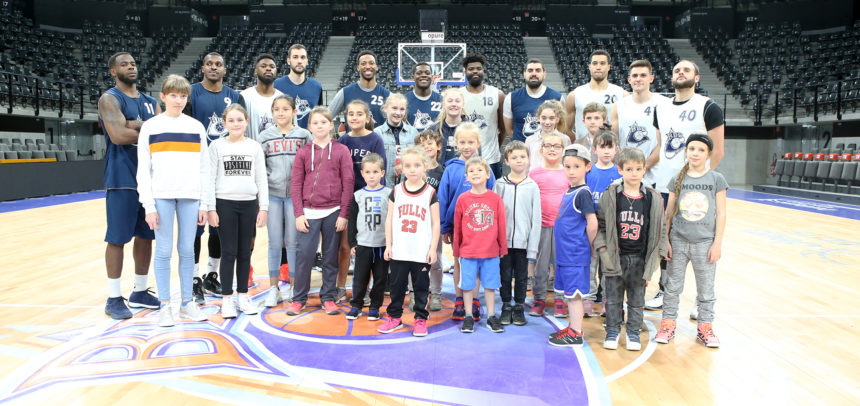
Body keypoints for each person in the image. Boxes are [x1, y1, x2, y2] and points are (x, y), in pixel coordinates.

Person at [646, 59, 725, 312]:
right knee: (667, 240)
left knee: (700, 242)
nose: (681, 73)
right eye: (677, 70)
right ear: (671, 78)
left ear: (697, 77)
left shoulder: (708, 106)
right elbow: (662, 147)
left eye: (686, 70)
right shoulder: (661, 107)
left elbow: (718, 151)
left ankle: (702, 298)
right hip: (666, 184)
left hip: (695, 188)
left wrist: (700, 181)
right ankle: (664, 290)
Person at [136, 75, 210, 327]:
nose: (178, 101)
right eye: (174, 95)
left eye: (183, 96)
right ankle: (165, 306)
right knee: (164, 251)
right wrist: (148, 205)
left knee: (187, 251)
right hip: (161, 197)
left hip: (190, 197)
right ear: (163, 96)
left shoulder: (196, 127)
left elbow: (204, 169)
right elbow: (143, 170)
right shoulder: (150, 126)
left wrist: (204, 203)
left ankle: (187, 303)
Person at [98, 52, 161, 320]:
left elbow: (160, 134)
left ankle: (140, 290)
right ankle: (113, 297)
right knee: (117, 237)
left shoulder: (149, 101)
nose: (131, 66)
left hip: (149, 179)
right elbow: (119, 135)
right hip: (122, 177)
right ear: (113, 71)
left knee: (146, 236)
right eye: (124, 64)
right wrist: (141, 128)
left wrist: (136, 124)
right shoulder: (110, 98)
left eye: (133, 63)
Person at [655, 134, 726, 348]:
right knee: (672, 286)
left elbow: (721, 214)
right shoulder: (677, 178)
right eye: (692, 148)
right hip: (678, 241)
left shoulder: (716, 179)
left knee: (706, 289)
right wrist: (666, 241)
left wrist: (717, 243)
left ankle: (705, 327)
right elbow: (668, 213)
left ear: (708, 154)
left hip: (704, 243)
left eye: (701, 150)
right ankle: (667, 324)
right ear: (686, 151)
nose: (695, 153)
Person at [594, 148, 668, 351]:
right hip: (615, 256)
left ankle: (633, 333)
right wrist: (602, 249)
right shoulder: (611, 196)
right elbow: (601, 225)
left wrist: (659, 253)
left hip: (640, 258)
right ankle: (612, 331)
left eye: (638, 168)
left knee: (637, 299)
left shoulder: (653, 198)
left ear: (644, 169)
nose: (634, 173)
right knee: (612, 298)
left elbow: (660, 228)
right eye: (629, 169)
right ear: (620, 170)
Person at [185, 52, 243, 303]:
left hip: (225, 171)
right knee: (196, 229)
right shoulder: (192, 93)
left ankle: (212, 274)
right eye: (209, 63)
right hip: (198, 168)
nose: (213, 67)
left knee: (218, 228)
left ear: (225, 69)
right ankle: (194, 279)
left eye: (218, 64)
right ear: (202, 67)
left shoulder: (234, 95)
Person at [286, 107, 354, 316]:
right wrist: (299, 214)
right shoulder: (304, 152)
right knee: (304, 256)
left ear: (331, 125)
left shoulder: (342, 151)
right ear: (309, 127)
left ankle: (328, 297)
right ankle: (299, 299)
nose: (319, 126)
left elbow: (348, 183)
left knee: (330, 256)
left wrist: (343, 214)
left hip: (333, 211)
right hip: (309, 212)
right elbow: (296, 184)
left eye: (323, 122)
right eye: (315, 123)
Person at [206, 104, 268, 318]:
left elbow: (261, 178)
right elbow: (210, 179)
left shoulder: (254, 147)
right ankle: (226, 299)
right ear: (224, 123)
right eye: (231, 120)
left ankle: (243, 295)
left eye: (239, 120)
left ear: (246, 122)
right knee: (228, 252)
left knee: (245, 253)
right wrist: (211, 208)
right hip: (225, 204)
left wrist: (264, 207)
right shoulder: (216, 146)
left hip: (249, 204)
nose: (236, 124)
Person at [256, 95, 312, 307]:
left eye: (285, 109)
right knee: (273, 243)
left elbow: (310, 165)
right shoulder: (264, 137)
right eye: (277, 109)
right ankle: (273, 289)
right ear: (272, 112)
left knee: (293, 243)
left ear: (294, 111)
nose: (281, 113)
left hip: (295, 197)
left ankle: (294, 288)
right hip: (273, 194)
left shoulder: (304, 135)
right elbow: (260, 170)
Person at [378, 147, 440, 337]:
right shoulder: (396, 191)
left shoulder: (430, 193)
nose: (412, 169)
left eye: (416, 165)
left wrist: (433, 249)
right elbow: (389, 219)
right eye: (408, 166)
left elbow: (436, 222)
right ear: (401, 168)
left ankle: (420, 318)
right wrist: (389, 245)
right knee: (396, 287)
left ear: (425, 166)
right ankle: (394, 318)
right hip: (400, 250)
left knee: (421, 288)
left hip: (420, 251)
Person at [439, 123, 496, 321]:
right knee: (458, 263)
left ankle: (474, 299)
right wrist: (445, 226)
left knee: (477, 263)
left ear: (478, 143)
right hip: (457, 227)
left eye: (471, 142)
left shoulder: (485, 169)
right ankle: (459, 299)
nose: (466, 146)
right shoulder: (451, 169)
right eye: (462, 142)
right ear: (455, 143)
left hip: (481, 227)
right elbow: (444, 198)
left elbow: (493, 198)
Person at [337, 100, 387, 301]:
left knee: (369, 246)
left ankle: (368, 289)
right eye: (351, 114)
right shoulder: (342, 141)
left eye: (359, 114)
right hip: (348, 199)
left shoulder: (375, 139)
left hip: (369, 199)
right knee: (345, 246)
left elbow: (381, 171)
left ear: (367, 117)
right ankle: (341, 286)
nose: (355, 117)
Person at [547, 144, 597, 347]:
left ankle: (575, 333)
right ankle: (572, 327)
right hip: (566, 254)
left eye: (577, 166)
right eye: (567, 166)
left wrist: (591, 246)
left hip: (575, 254)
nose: (571, 171)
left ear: (588, 167)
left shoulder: (583, 193)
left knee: (575, 296)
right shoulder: (571, 190)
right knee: (570, 294)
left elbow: (592, 222)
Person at [454, 157, 507, 333]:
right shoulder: (462, 199)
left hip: (490, 251)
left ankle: (491, 316)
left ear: (487, 174)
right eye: (471, 171)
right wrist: (456, 250)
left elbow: (501, 225)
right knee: (468, 285)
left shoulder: (495, 199)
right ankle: (468, 316)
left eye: (479, 170)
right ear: (466, 177)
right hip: (468, 251)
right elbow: (458, 227)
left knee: (490, 285)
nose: (475, 173)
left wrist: (502, 247)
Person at [493, 141, 541, 326]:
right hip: (503, 243)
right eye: (514, 157)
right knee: (504, 275)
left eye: (522, 157)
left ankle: (519, 306)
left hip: (524, 242)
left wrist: (532, 247)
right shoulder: (499, 185)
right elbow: (495, 216)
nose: (519, 160)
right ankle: (506, 305)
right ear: (506, 160)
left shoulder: (532, 186)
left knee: (522, 277)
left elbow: (536, 219)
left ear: (529, 160)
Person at [528, 133, 570, 317]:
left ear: (563, 150)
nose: (552, 149)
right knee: (540, 265)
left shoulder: (568, 172)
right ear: (541, 150)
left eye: (556, 146)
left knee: (561, 264)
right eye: (548, 146)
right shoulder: (534, 174)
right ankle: (539, 298)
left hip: (563, 228)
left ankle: (560, 298)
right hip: (541, 226)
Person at [611, 59, 668, 190]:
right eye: (635, 76)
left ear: (651, 78)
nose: (638, 79)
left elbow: (664, 143)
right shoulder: (619, 106)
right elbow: (615, 142)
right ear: (629, 79)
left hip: (655, 174)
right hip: (627, 174)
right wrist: (630, 168)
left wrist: (643, 167)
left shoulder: (664, 104)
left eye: (643, 75)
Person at [346, 153, 391, 321]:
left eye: (375, 172)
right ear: (362, 173)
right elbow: (352, 222)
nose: (372, 176)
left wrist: (391, 243)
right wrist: (352, 242)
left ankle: (374, 307)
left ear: (382, 173)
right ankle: (356, 305)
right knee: (360, 278)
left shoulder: (389, 193)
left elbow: (393, 220)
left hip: (382, 245)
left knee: (380, 279)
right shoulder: (358, 195)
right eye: (368, 172)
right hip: (363, 244)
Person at [583, 130, 621, 315]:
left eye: (610, 147)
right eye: (602, 147)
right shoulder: (589, 173)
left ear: (617, 149)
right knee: (590, 266)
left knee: (608, 268)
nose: (606, 151)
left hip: (610, 230)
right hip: (591, 228)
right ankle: (588, 298)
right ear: (594, 149)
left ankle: (607, 300)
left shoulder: (619, 173)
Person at [461, 53, 506, 179]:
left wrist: (493, 148)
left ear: (483, 71)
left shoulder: (497, 94)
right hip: (466, 160)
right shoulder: (458, 96)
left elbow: (503, 129)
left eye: (478, 68)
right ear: (465, 72)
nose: (475, 71)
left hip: (491, 160)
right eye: (471, 69)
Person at [565, 49, 628, 139]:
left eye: (602, 63)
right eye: (595, 63)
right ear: (589, 66)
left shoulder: (622, 95)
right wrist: (580, 143)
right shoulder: (575, 95)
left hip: (610, 150)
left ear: (609, 67)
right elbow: (566, 129)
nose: (598, 67)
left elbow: (627, 127)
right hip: (584, 150)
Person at [415, 129, 446, 309]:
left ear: (438, 146)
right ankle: (416, 293)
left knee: (436, 259)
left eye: (430, 143)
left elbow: (444, 198)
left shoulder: (443, 171)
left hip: (434, 223)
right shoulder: (414, 170)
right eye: (422, 144)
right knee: (415, 260)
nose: (426, 147)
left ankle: (436, 294)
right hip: (416, 222)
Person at [503, 59, 563, 143]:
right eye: (530, 70)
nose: (534, 74)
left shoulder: (558, 97)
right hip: (522, 152)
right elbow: (509, 129)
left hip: (547, 150)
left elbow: (561, 128)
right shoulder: (511, 98)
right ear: (524, 74)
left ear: (544, 74)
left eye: (538, 70)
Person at [329, 50, 391, 127]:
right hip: (353, 139)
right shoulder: (345, 92)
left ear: (376, 67)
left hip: (378, 139)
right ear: (358, 67)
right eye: (363, 63)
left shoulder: (388, 95)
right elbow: (326, 117)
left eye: (371, 63)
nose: (368, 67)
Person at [273, 44, 323, 129]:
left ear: (307, 61)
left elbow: (319, 116)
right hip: (284, 139)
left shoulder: (316, 86)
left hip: (309, 139)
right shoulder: (276, 85)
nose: (299, 61)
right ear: (288, 60)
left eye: (303, 57)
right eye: (295, 57)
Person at [376, 93, 417, 186]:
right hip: (383, 187)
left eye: (402, 109)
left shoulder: (413, 133)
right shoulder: (376, 134)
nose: (398, 113)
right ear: (385, 108)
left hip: (408, 187)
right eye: (394, 108)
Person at [241, 54, 284, 141]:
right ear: (255, 71)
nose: (268, 68)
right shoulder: (244, 96)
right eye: (263, 66)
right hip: (252, 152)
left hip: (276, 152)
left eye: (272, 66)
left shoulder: (283, 99)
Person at [525, 100, 570, 171]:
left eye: (551, 118)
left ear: (557, 119)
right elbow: (526, 165)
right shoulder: (530, 140)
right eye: (544, 118)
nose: (547, 122)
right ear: (538, 118)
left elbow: (567, 163)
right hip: (534, 179)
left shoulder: (565, 139)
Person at [435, 87, 469, 164]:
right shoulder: (433, 130)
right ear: (443, 104)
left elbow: (477, 157)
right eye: (450, 101)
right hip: (439, 175)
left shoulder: (471, 130)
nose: (453, 104)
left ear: (463, 104)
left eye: (457, 101)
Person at [405, 62, 442, 131]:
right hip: (411, 141)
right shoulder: (404, 101)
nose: (424, 75)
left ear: (432, 77)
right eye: (419, 73)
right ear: (413, 77)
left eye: (427, 73)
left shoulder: (441, 100)